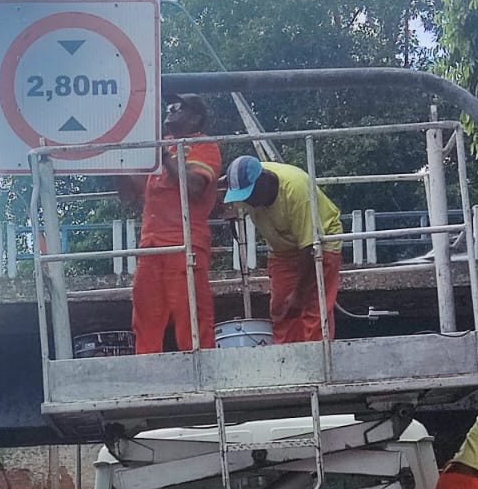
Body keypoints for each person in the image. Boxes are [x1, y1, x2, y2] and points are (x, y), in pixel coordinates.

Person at [121, 94, 219, 354]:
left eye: (178, 107)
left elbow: (196, 187)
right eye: (169, 106)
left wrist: (164, 157)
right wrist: (113, 162)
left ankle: (202, 368)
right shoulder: (160, 144)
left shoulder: (203, 145)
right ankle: (148, 370)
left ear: (196, 117)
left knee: (191, 315)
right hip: (151, 245)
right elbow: (130, 193)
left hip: (185, 241)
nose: (170, 110)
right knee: (145, 315)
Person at [220, 155, 342, 343]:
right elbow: (222, 186)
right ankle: (286, 361)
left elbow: (310, 248)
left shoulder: (297, 191)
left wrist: (298, 294)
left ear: (263, 181)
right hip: (282, 248)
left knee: (313, 307)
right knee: (281, 309)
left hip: (320, 242)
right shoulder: (248, 183)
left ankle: (318, 362)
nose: (248, 202)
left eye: (249, 195)